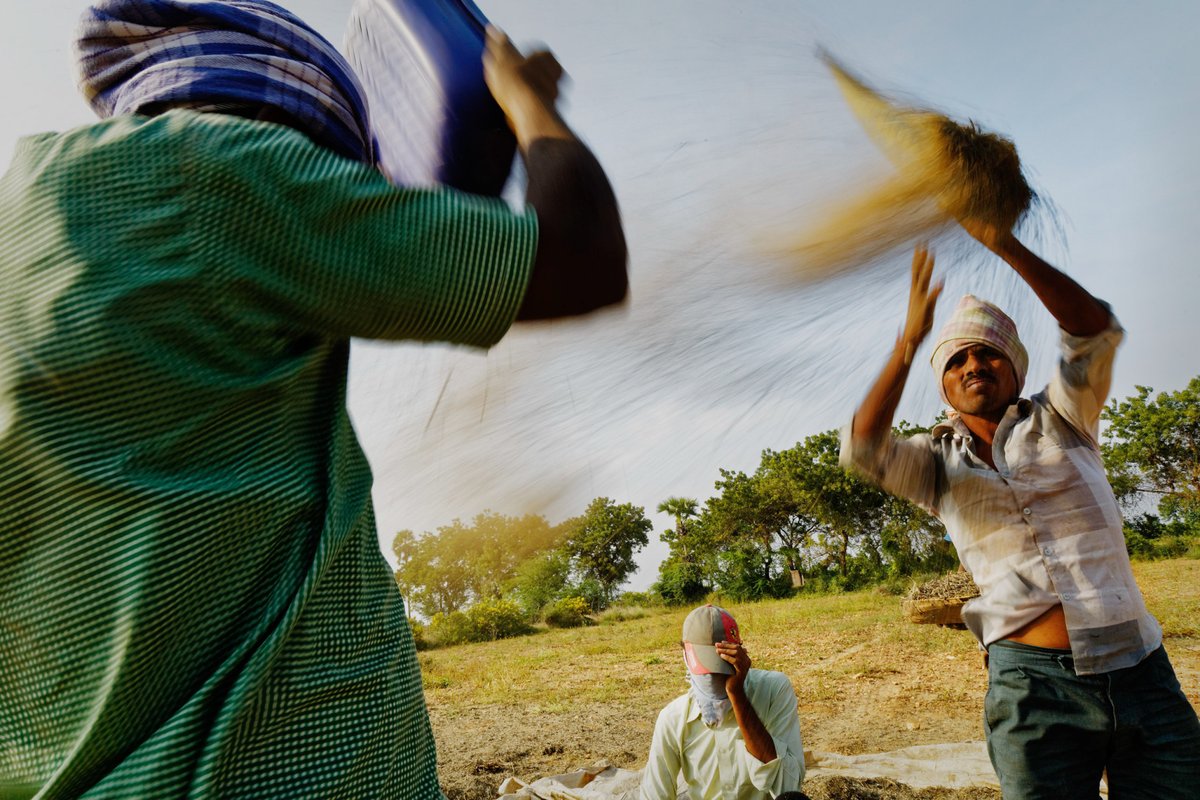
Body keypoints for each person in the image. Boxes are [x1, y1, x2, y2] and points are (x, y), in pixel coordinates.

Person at [0, 1, 626, 798]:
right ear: (278, 123)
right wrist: (521, 99)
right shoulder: (221, 174)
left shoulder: (24, 218)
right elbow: (583, 254)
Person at [840, 230, 1200, 799]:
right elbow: (863, 446)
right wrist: (909, 343)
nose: (973, 364)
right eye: (956, 359)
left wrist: (1001, 240)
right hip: (1031, 688)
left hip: (1141, 671)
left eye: (988, 352)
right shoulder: (934, 463)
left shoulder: (1065, 416)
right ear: (944, 384)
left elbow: (1094, 330)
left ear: (1015, 368)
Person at [640, 605, 805, 800]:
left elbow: (788, 785)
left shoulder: (773, 690)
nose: (714, 678)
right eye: (707, 671)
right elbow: (655, 794)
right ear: (684, 654)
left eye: (722, 668)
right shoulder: (673, 718)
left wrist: (737, 694)